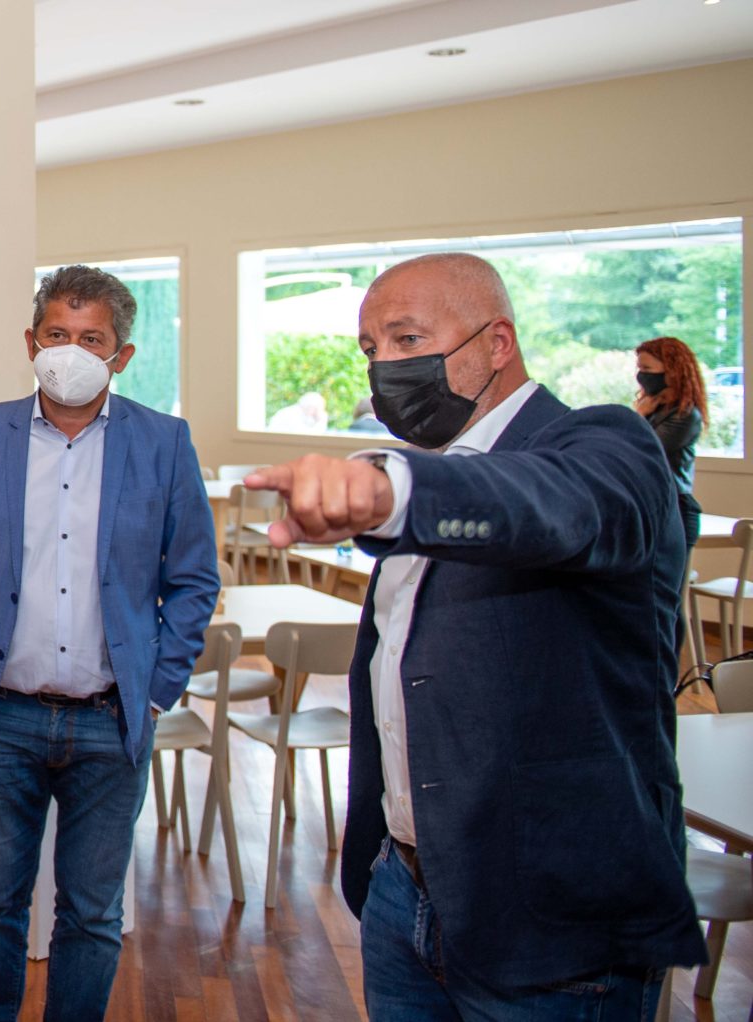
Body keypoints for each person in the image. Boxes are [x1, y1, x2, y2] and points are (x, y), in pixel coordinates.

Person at [246, 253, 705, 1020]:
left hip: (550, 922)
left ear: (497, 343)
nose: (386, 367)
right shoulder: (433, 468)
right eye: (371, 349)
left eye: (407, 339)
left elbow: (556, 504)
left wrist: (397, 490)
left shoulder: (605, 444)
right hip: (403, 892)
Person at [0, 265, 219, 1021]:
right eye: (56, 334)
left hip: (112, 718)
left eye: (90, 338)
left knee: (93, 914)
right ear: (31, 343)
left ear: (121, 355)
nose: (70, 350)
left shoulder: (163, 442)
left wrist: (156, 690)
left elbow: (194, 578)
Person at [634, 335, 706, 561]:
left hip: (676, 508)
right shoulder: (652, 410)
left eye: (647, 368)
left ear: (672, 372)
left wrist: (638, 417)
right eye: (639, 368)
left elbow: (646, 450)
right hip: (650, 505)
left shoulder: (686, 415)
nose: (641, 375)